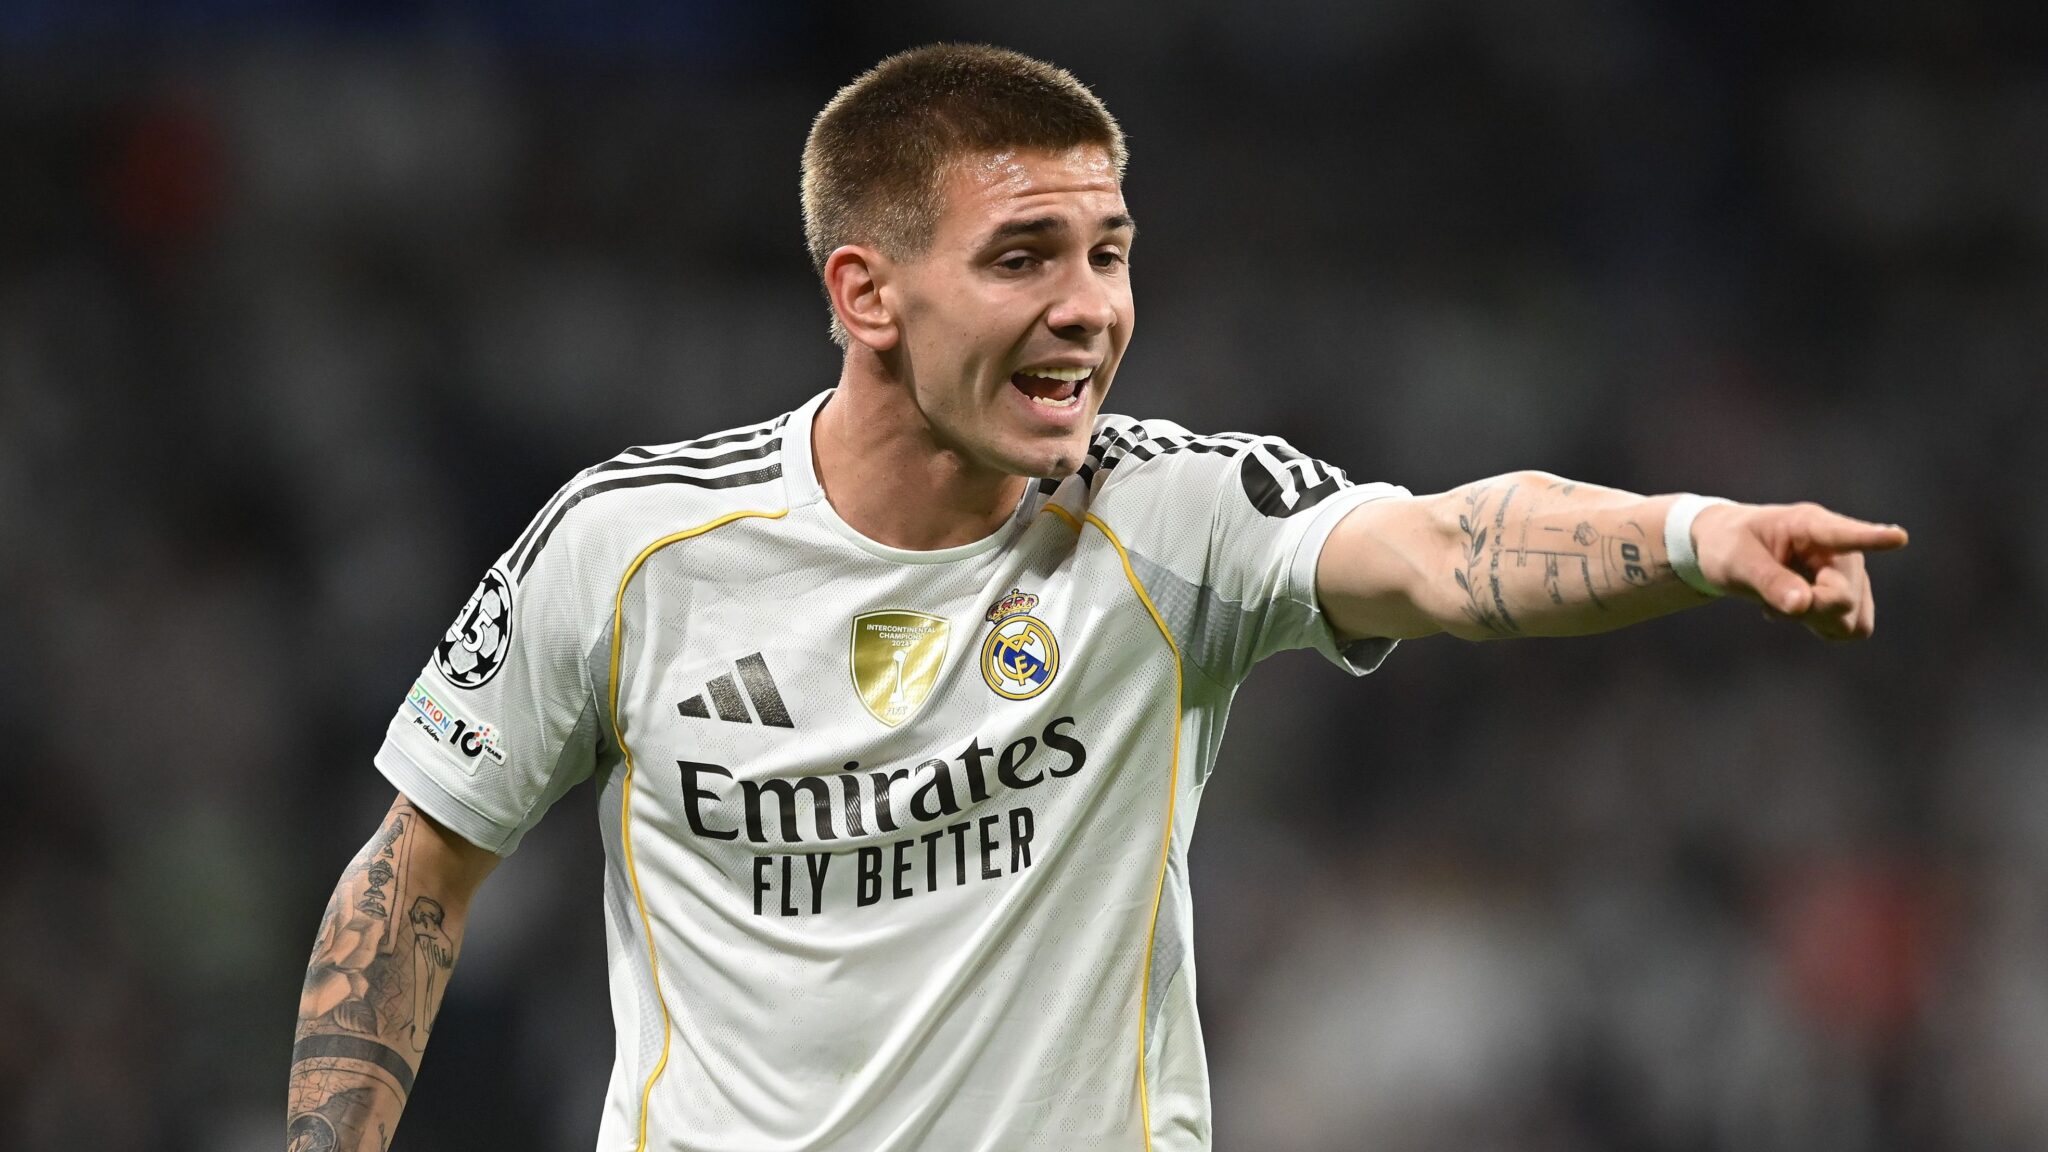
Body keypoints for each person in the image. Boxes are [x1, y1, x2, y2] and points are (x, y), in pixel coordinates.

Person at [285, 43, 1907, 1152]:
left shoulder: (1173, 513)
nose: (1089, 309)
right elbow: (414, 874)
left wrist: (1693, 532)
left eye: (1109, 252)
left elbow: (1437, 547)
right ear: (865, 292)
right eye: (1024, 258)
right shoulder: (627, 548)